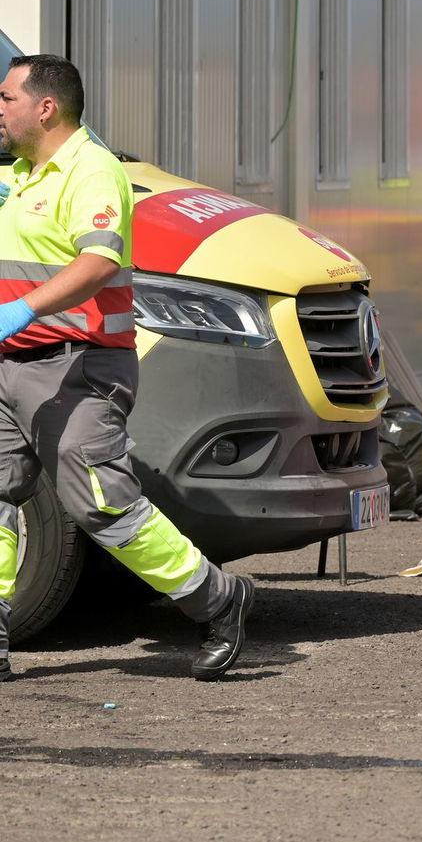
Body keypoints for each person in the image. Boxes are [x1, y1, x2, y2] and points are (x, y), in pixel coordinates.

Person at [0, 54, 252, 682]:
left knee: (102, 505)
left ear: (45, 107)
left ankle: (217, 599)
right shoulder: (27, 173)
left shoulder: (91, 170)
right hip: (11, 366)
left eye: (6, 98)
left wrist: (21, 310)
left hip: (77, 367)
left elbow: (100, 263)